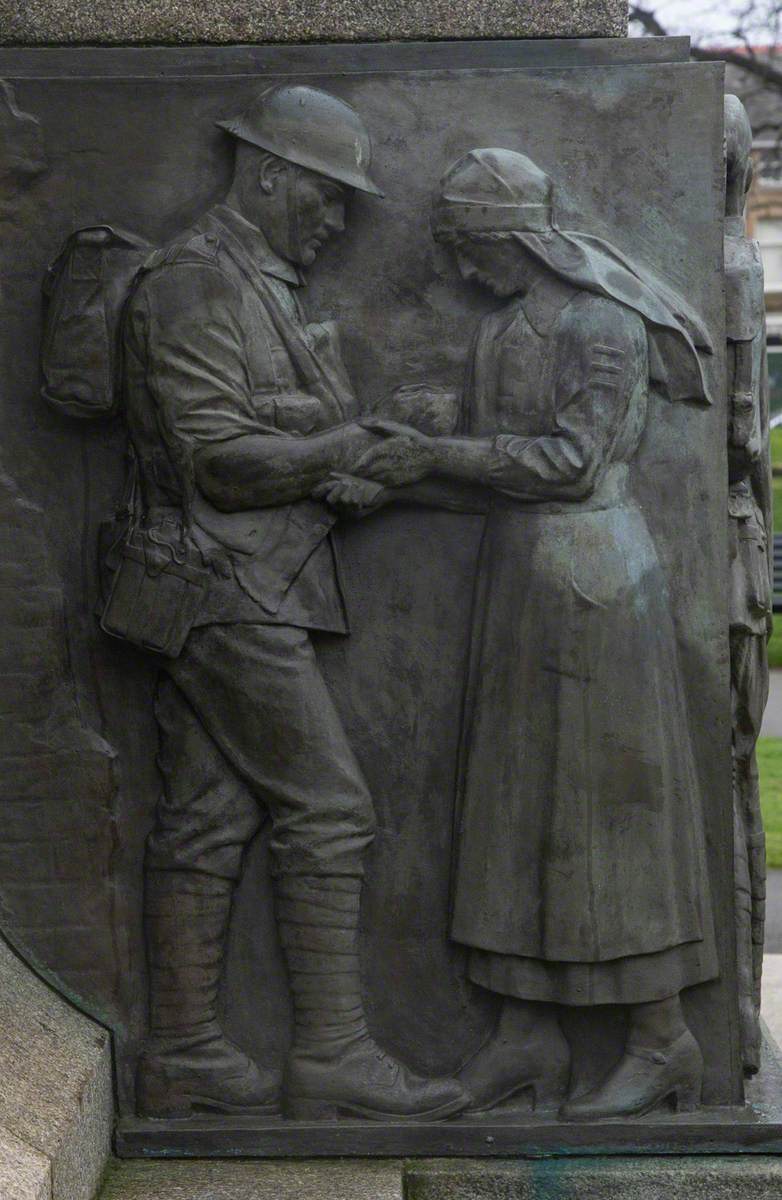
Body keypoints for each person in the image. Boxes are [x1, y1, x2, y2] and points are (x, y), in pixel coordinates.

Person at [343, 148, 719, 1119]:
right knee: (510, 809)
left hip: (594, 587)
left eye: (470, 247)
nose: (461, 270)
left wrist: (435, 454)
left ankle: (659, 1037)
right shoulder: (502, 329)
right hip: (519, 583)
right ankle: (526, 1039)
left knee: (608, 816)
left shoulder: (601, 325)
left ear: (514, 237)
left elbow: (565, 461)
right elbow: (486, 469)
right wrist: (393, 475)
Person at [121, 83, 466, 1123]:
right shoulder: (193, 286)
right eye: (324, 200)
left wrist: (364, 450)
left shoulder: (256, 282)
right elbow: (218, 461)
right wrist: (352, 443)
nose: (333, 223)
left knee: (207, 820)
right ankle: (330, 1054)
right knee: (328, 810)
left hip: (252, 581)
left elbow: (278, 446)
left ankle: (182, 1053)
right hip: (222, 591)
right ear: (267, 175)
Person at [724, 94, 772, 1076]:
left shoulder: (723, 264)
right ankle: (725, 1019)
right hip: (725, 553)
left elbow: (734, 431)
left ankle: (727, 1019)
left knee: (723, 779)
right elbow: (742, 440)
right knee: (724, 784)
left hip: (717, 560)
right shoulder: (728, 258)